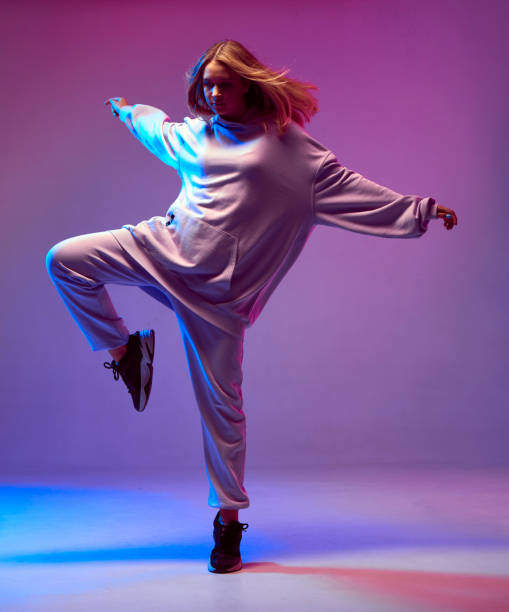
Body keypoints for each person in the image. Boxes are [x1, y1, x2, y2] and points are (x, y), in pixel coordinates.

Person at [46, 40, 458, 574]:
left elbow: (357, 192)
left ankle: (228, 521)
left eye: (225, 83)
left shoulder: (291, 151)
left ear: (248, 84)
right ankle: (127, 352)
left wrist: (420, 210)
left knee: (223, 411)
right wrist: (127, 109)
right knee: (66, 260)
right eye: (207, 85)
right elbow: (155, 125)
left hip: (220, 300)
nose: (215, 94)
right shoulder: (195, 137)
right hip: (161, 252)